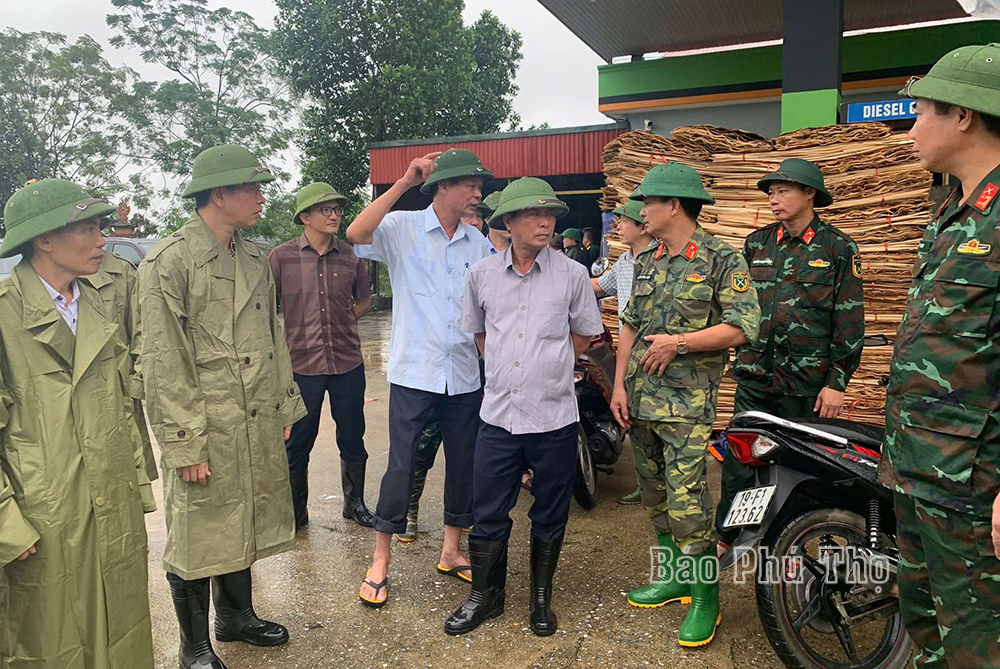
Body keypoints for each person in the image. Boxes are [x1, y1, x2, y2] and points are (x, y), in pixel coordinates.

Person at [137, 144, 307, 669]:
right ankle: (193, 645)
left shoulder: (254, 256)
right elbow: (164, 359)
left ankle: (236, 616)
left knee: (245, 514)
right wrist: (184, 443)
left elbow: (274, 336)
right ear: (219, 195)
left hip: (254, 411)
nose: (261, 197)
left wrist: (282, 406)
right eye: (251, 188)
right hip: (205, 419)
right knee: (197, 529)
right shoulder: (170, 261)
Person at [878, 44, 1000, 669]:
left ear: (964, 116)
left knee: (978, 644)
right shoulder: (952, 213)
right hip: (922, 465)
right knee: (927, 630)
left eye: (919, 110)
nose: (910, 128)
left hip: (975, 486)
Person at [0, 178, 156, 669]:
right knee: (53, 639)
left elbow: (119, 408)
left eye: (101, 227)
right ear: (44, 239)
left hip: (112, 502)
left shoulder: (96, 301)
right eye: (87, 228)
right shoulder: (5, 314)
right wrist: (6, 525)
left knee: (124, 630)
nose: (101, 240)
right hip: (43, 515)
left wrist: (135, 483)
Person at [609, 163, 760, 648]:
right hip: (640, 401)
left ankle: (705, 598)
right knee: (654, 497)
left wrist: (681, 342)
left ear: (673, 204)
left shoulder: (721, 259)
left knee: (689, 503)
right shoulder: (648, 259)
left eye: (647, 202)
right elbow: (629, 325)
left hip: (686, 408)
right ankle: (674, 578)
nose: (640, 210)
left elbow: (742, 327)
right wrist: (617, 388)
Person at [445, 177, 603, 636]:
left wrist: (548, 367)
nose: (546, 221)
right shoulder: (481, 275)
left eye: (551, 214)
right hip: (497, 416)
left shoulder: (572, 275)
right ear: (508, 223)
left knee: (551, 510)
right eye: (534, 214)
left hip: (553, 416)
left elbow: (582, 335)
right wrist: (507, 367)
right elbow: (480, 336)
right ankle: (485, 595)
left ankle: (539, 599)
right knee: (489, 510)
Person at [347, 148, 493, 607]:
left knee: (464, 462)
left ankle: (452, 550)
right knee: (402, 464)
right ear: (443, 187)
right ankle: (381, 561)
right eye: (470, 184)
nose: (477, 192)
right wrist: (404, 183)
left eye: (480, 185)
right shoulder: (403, 228)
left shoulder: (479, 243)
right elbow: (355, 232)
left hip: (465, 374)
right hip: (415, 371)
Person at [715, 158, 864, 552]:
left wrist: (836, 383)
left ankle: (790, 544)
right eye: (770, 192)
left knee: (798, 469)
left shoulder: (838, 248)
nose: (774, 199)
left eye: (783, 191)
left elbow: (848, 322)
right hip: (755, 376)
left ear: (809, 194)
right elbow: (738, 306)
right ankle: (728, 537)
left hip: (805, 383)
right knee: (739, 461)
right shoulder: (757, 244)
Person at [399, 189, 509, 544]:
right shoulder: (433, 241)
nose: (474, 221)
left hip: (472, 369)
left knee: (467, 451)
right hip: (430, 368)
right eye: (470, 217)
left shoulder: (489, 252)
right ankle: (409, 508)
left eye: (478, 217)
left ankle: (459, 528)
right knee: (422, 445)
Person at [268, 182, 374, 531]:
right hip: (301, 365)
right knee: (298, 441)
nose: (334, 215)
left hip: (347, 362)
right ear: (305, 216)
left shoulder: (350, 256)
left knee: (352, 435)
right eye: (325, 210)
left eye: (337, 209)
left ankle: (354, 504)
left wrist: (343, 321)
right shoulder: (281, 257)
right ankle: (296, 514)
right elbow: (268, 308)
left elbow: (363, 300)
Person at [591, 199, 655, 505]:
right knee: (635, 421)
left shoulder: (660, 259)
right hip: (630, 353)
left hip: (658, 354)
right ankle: (646, 483)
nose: (618, 227)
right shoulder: (626, 262)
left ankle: (666, 485)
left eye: (623, 222)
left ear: (643, 226)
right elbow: (599, 286)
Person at [82, 248, 160, 484]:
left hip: (119, 393)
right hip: (68, 398)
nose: (98, 238)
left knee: (129, 481)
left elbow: (142, 330)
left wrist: (138, 382)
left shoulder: (120, 271)